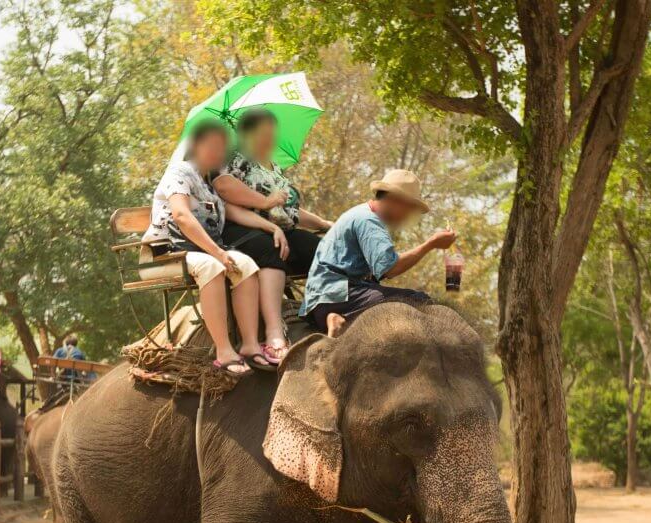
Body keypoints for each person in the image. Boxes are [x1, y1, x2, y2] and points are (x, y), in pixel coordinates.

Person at [145, 119, 277, 375]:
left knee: (246, 264)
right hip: (164, 253)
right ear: (196, 145)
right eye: (213, 145)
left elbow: (235, 213)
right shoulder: (180, 172)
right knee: (212, 265)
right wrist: (218, 252)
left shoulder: (208, 185)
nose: (219, 152)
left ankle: (250, 345)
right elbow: (182, 216)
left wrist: (272, 227)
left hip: (196, 252)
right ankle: (224, 351)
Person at [214, 109, 334, 363]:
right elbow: (224, 190)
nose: (270, 139)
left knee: (321, 249)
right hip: (244, 229)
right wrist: (266, 209)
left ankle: (325, 314)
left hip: (281, 229)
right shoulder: (236, 159)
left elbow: (289, 210)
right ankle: (273, 332)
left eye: (272, 133)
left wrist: (323, 223)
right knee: (270, 248)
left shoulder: (275, 167)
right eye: (263, 133)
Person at [300, 169, 457, 337]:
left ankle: (341, 321)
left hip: (326, 300)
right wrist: (430, 244)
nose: (408, 215)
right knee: (419, 301)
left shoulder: (361, 214)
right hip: (337, 297)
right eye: (409, 208)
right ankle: (343, 318)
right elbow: (391, 268)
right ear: (396, 200)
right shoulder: (369, 221)